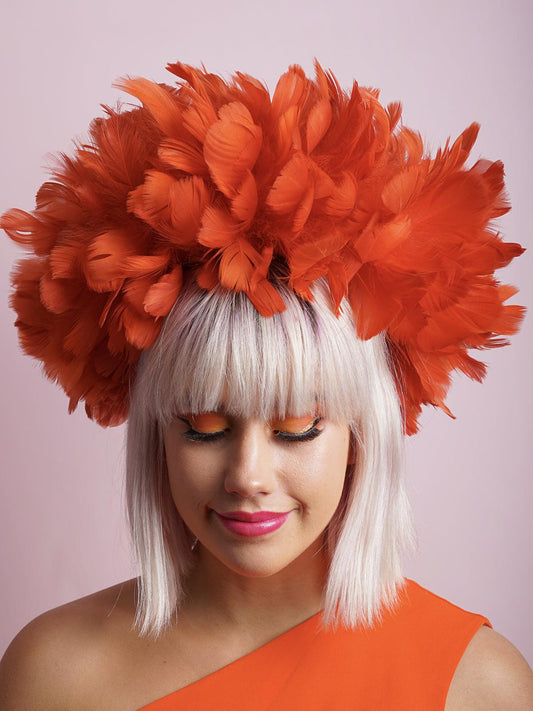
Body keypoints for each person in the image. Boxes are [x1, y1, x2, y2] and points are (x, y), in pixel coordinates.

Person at [0, 59, 532, 710]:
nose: (247, 474)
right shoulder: (53, 675)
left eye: (296, 427)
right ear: (157, 433)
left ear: (360, 436)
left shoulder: (477, 686)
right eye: (204, 425)